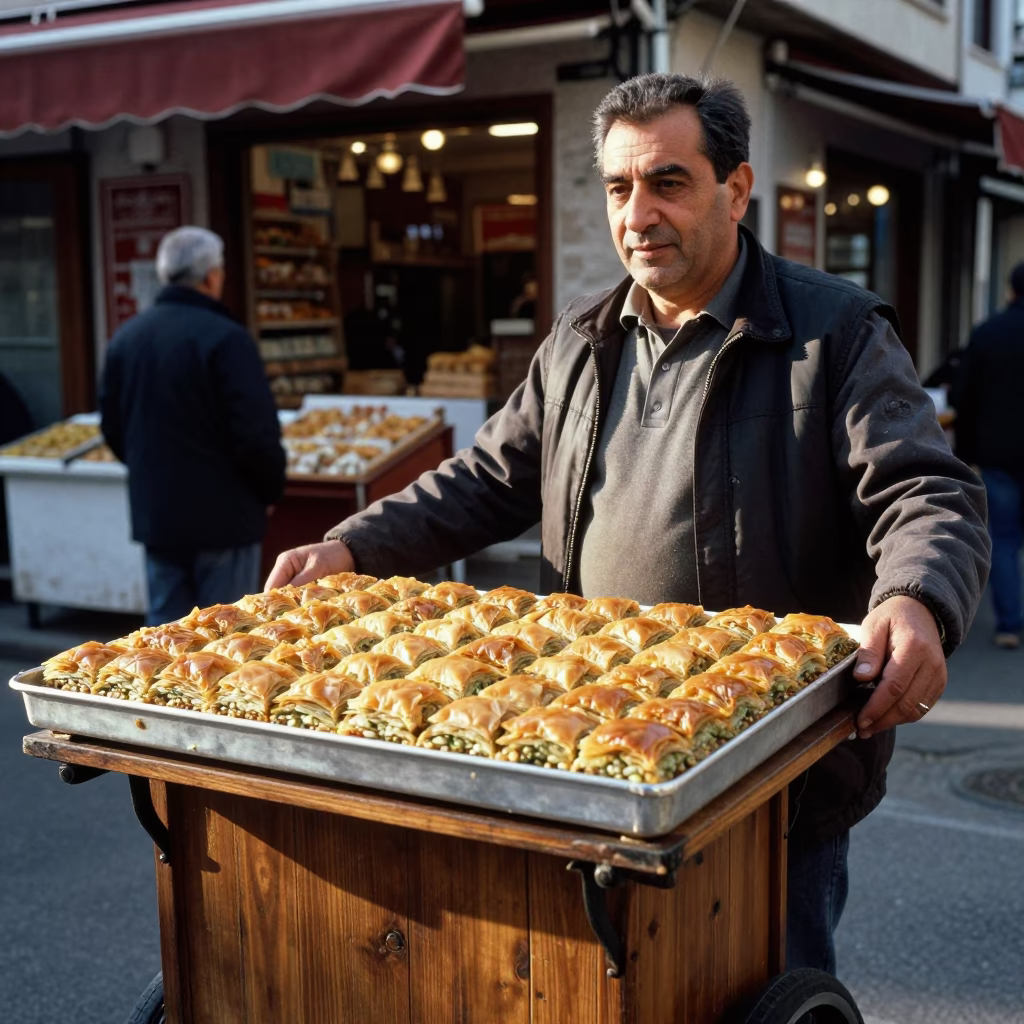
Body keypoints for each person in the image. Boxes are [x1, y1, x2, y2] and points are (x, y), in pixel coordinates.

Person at [266, 74, 990, 974]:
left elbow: (924, 488)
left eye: (668, 183)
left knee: (762, 982)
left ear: (735, 188)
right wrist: (354, 544)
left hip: (760, 771)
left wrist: (917, 597)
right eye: (619, 188)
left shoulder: (832, 332)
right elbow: (489, 477)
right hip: (595, 746)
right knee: (598, 982)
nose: (638, 214)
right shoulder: (581, 339)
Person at [101, 226, 285, 626]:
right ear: (212, 276)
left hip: (158, 513)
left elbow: (113, 428)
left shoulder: (127, 337)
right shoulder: (226, 338)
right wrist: (269, 489)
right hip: (226, 514)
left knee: (164, 637)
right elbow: (255, 435)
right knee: (226, 635)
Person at [952, 263, 1024, 649]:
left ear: (1011, 291)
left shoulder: (988, 333)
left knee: (1006, 538)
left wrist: (965, 453)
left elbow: (964, 396)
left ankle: (1009, 624)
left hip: (997, 452)